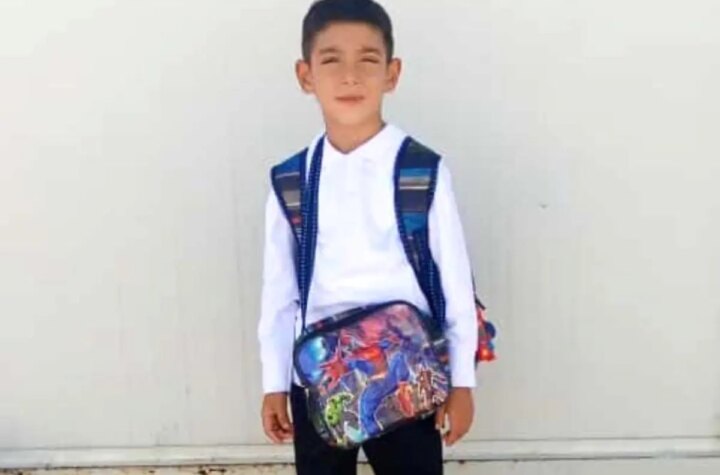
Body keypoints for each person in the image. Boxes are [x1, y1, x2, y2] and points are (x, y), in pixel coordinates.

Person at [257, 1, 479, 473]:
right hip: (319, 376)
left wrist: (462, 381)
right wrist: (274, 382)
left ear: (392, 73)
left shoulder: (422, 170)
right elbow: (278, 292)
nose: (350, 76)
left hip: (408, 373)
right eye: (331, 60)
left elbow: (456, 282)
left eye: (368, 60)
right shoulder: (291, 181)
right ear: (305, 75)